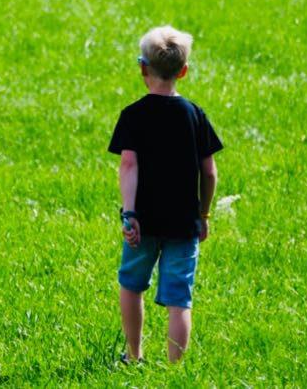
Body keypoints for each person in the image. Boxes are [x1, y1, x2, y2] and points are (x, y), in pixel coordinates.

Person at [107, 25, 223, 363]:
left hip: (143, 221)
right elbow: (209, 172)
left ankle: (134, 355)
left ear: (142, 68)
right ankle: (174, 369)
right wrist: (203, 214)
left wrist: (130, 214)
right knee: (178, 298)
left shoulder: (133, 115)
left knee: (132, 285)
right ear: (183, 71)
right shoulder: (195, 115)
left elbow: (128, 165)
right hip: (183, 223)